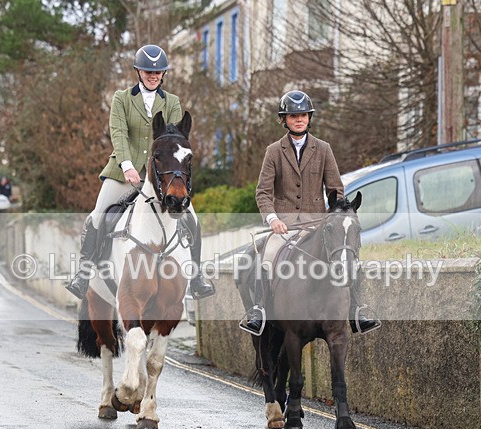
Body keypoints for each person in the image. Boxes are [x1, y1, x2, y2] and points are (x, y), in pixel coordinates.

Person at [66, 44, 215, 301]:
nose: (153, 76)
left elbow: (175, 138)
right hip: (125, 172)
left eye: (158, 72)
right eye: (148, 72)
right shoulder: (122, 99)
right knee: (98, 215)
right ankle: (84, 271)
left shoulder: (173, 102)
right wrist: (126, 165)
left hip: (162, 175)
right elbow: (119, 134)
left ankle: (197, 276)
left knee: (193, 219)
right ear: (138, 71)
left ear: (163, 74)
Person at [241, 90, 380, 335]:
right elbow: (262, 192)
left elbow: (335, 189)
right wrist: (272, 219)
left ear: (309, 118)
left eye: (303, 115)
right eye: (293, 115)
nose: (299, 119)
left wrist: (335, 216)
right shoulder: (273, 151)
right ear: (284, 119)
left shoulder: (324, 149)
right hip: (283, 227)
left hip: (316, 224)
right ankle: (258, 310)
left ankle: (358, 310)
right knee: (267, 257)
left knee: (346, 256)